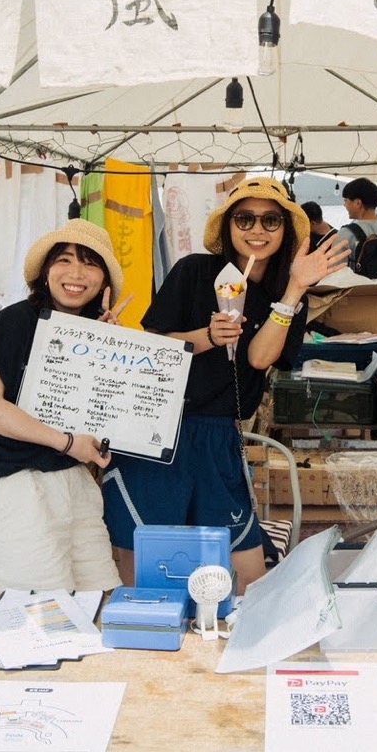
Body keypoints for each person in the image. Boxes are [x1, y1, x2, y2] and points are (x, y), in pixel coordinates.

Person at [102, 177, 348, 591]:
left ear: (285, 229)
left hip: (218, 434)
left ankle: (237, 633)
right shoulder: (194, 271)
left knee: (248, 571)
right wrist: (207, 336)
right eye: (245, 219)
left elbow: (259, 358)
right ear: (229, 225)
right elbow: (154, 347)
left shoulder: (289, 292)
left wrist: (293, 290)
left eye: (270, 220)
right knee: (146, 566)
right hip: (158, 430)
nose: (257, 230)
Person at [0, 220, 127, 593]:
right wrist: (65, 441)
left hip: (74, 483)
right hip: (14, 486)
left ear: (103, 280)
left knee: (102, 600)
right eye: (64, 260)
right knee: (38, 615)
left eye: (90, 263)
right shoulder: (15, 321)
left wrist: (110, 353)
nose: (76, 273)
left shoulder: (95, 333)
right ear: (46, 272)